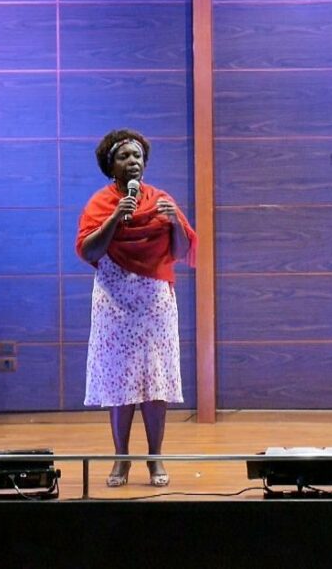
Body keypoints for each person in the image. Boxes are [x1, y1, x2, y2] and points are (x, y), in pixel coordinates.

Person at [76, 129, 196, 487]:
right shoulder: (100, 203)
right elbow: (89, 250)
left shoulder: (161, 200)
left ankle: (155, 458)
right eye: (124, 156)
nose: (133, 162)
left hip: (154, 304)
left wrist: (175, 222)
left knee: (154, 381)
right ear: (110, 165)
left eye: (138, 156)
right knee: (120, 381)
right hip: (114, 303)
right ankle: (121, 459)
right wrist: (115, 217)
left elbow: (180, 251)